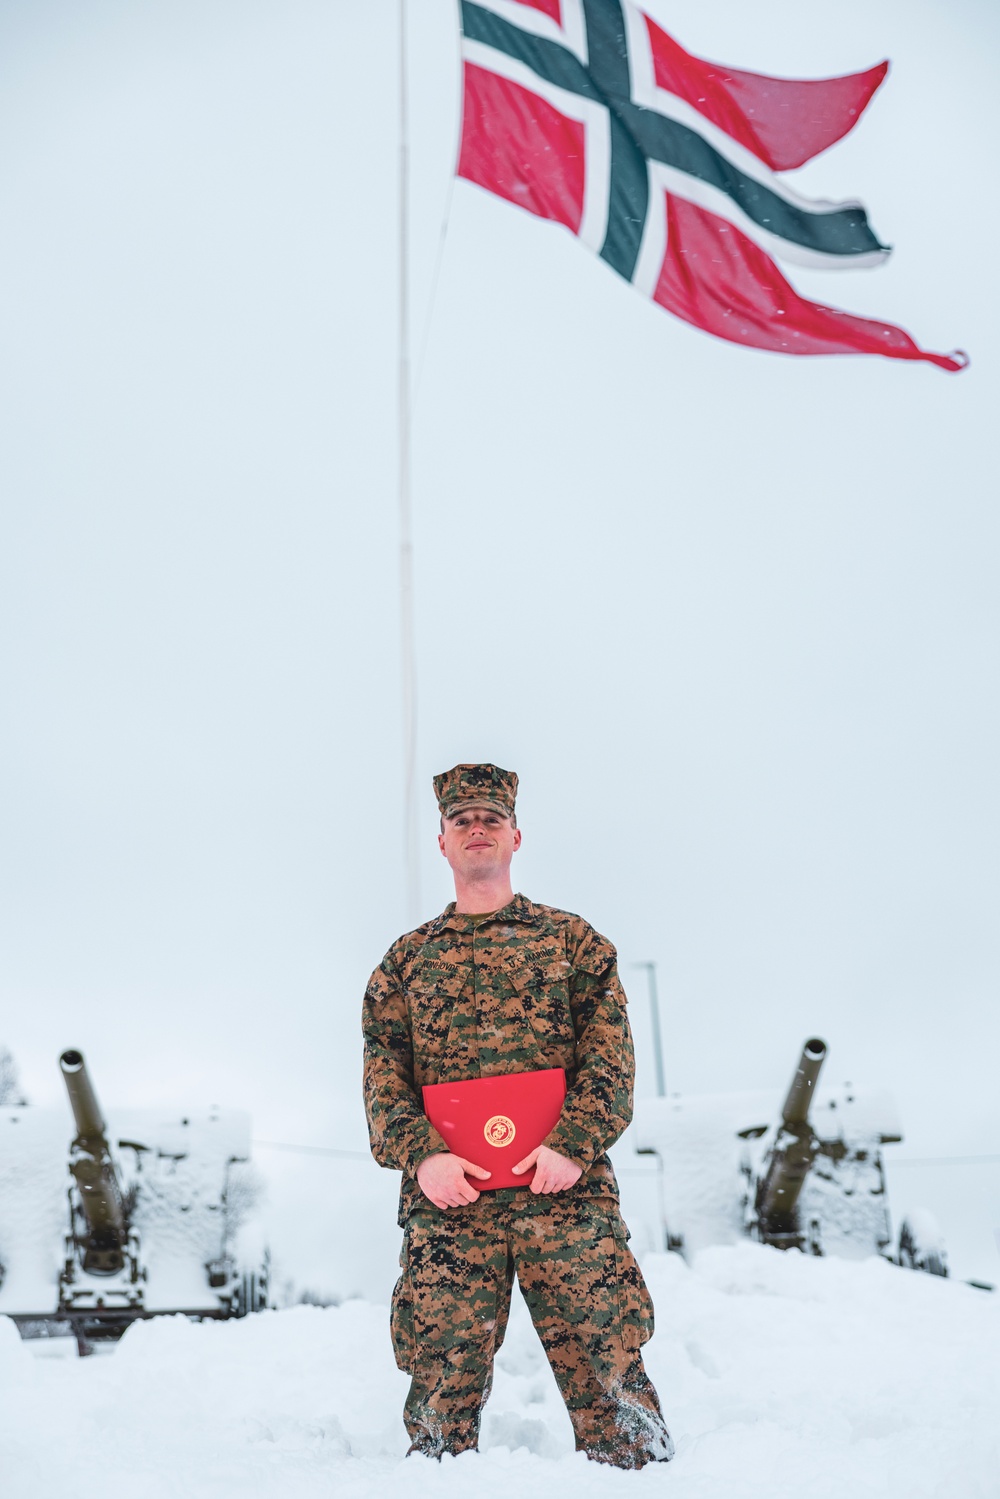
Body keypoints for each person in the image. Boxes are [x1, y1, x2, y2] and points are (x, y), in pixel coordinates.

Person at [362, 763, 673, 1466]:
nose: (478, 828)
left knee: (608, 1356)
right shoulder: (405, 963)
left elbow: (611, 1061)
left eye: (491, 819)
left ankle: (642, 1478)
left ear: (515, 835)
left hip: (563, 1190)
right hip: (451, 1203)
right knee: (440, 1379)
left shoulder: (572, 943)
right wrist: (423, 1155)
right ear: (441, 841)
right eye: (463, 819)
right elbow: (383, 1075)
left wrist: (572, 1144)